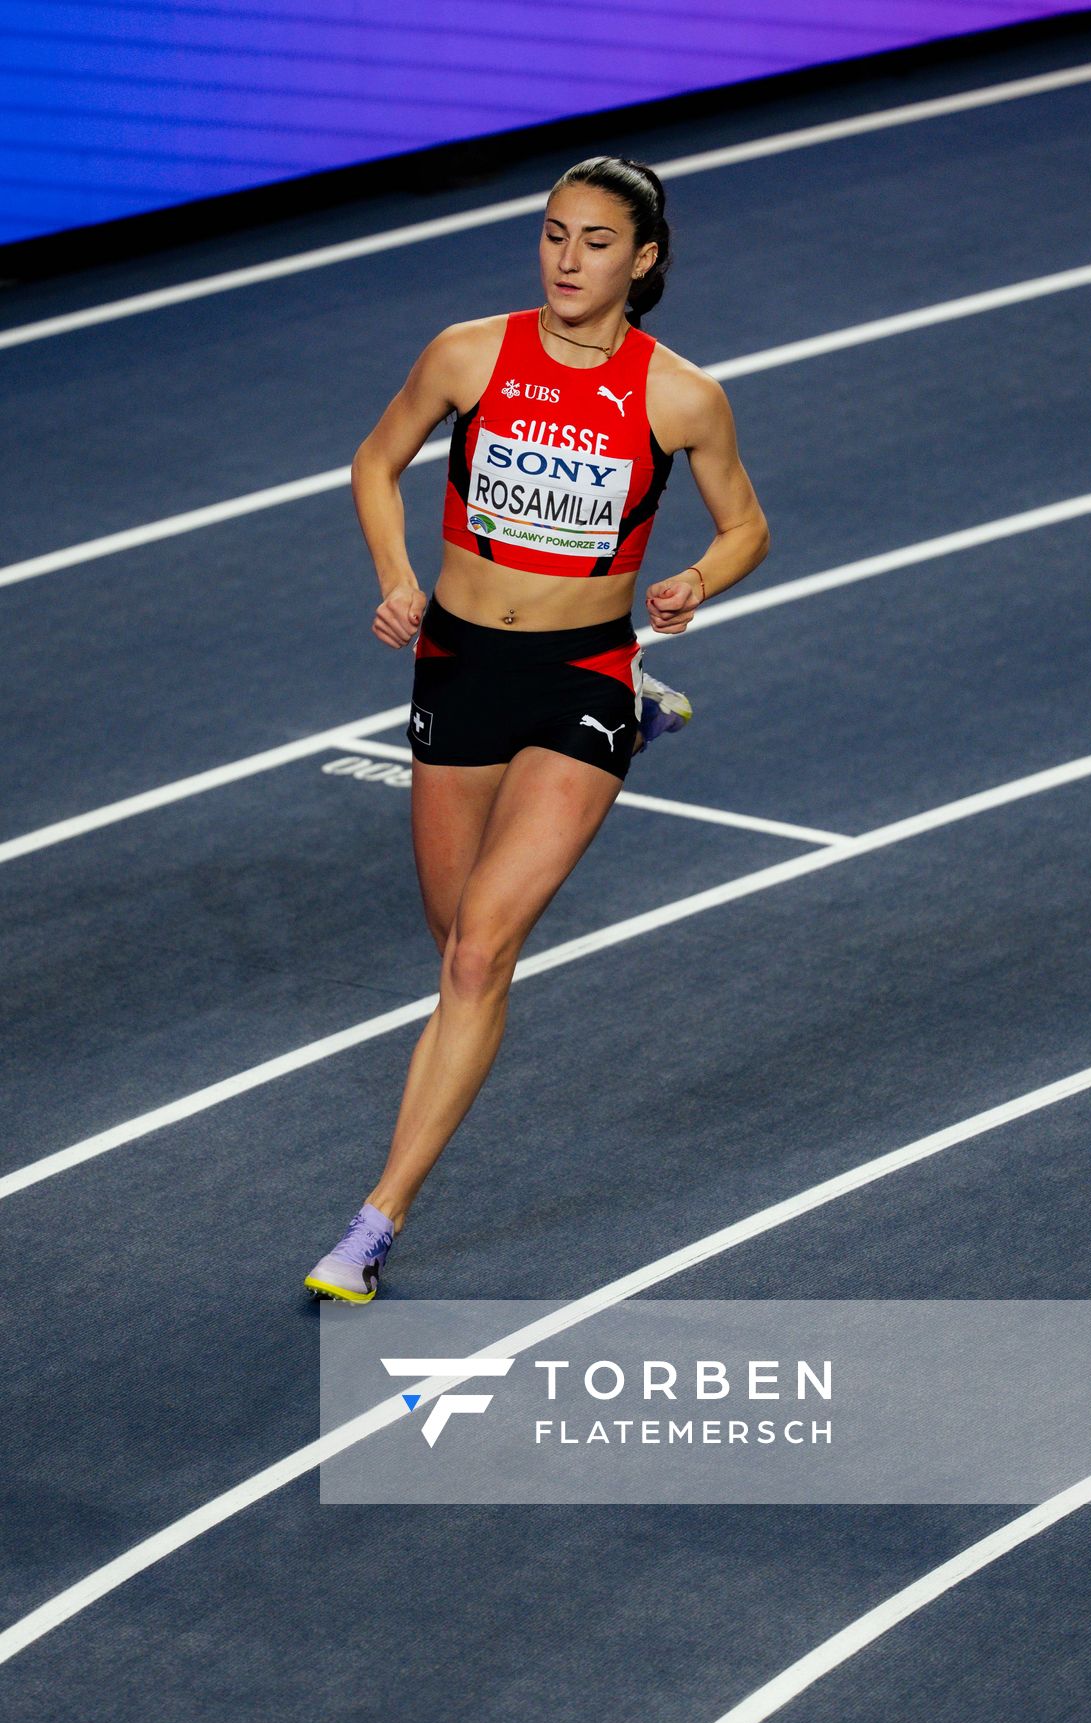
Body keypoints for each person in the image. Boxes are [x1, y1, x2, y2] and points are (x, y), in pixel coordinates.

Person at [304, 154, 769, 1304]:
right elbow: (375, 460)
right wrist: (395, 572)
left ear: (642, 260)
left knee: (479, 957)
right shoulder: (468, 353)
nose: (568, 259)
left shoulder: (677, 395)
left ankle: (374, 1222)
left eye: (595, 242)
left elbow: (747, 523)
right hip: (458, 664)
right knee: (450, 934)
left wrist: (696, 581)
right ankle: (628, 716)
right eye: (554, 235)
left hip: (578, 668)